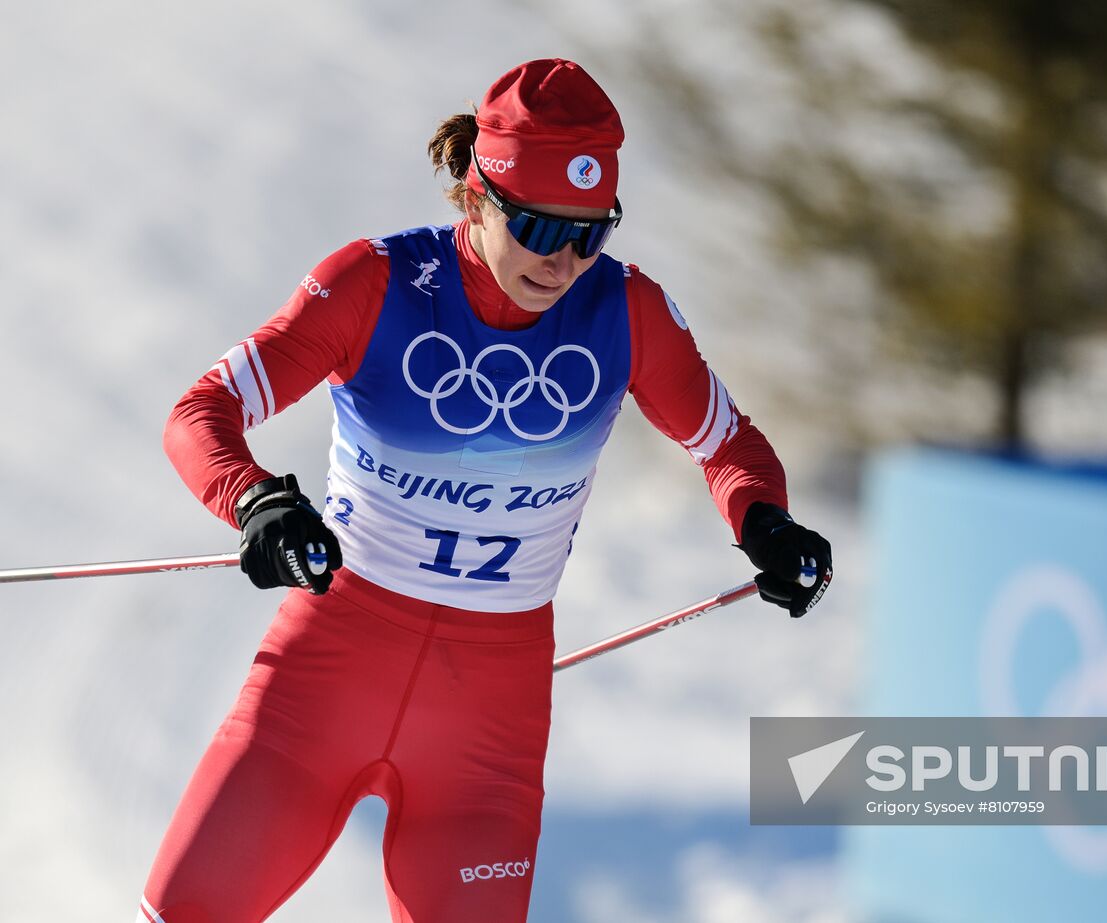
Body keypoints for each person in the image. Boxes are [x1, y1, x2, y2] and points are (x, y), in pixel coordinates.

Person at [136, 58, 832, 923]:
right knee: (184, 909)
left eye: (591, 233)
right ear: (476, 198)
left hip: (486, 723)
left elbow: (728, 444)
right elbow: (202, 411)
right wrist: (257, 501)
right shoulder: (376, 283)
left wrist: (765, 521)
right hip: (324, 680)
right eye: (539, 229)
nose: (566, 260)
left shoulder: (626, 311)